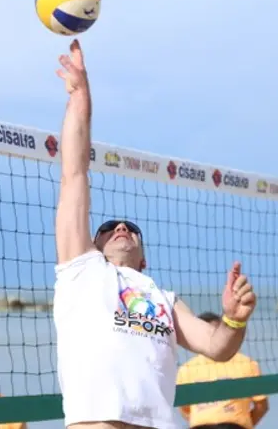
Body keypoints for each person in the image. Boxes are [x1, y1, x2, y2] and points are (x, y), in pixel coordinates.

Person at [52, 39, 258, 429]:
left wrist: (233, 319)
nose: (122, 228)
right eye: (109, 229)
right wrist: (81, 95)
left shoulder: (163, 298)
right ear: (90, 245)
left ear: (144, 259)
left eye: (131, 228)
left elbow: (217, 348)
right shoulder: (81, 269)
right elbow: (74, 173)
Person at [176, 312, 269, 429]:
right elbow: (185, 408)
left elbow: (261, 406)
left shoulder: (246, 363)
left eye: (215, 332)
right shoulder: (186, 369)